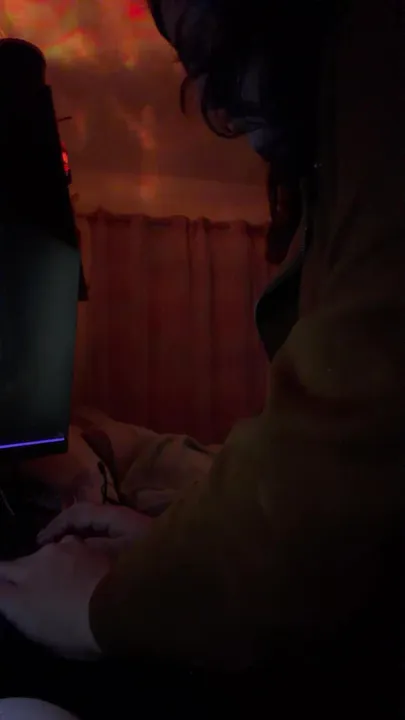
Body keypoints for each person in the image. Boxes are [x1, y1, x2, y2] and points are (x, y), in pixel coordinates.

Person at [0, 0, 403, 707]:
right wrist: (171, 551)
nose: (211, 99)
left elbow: (343, 463)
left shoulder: (380, 52)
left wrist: (104, 608)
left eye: (210, 48)